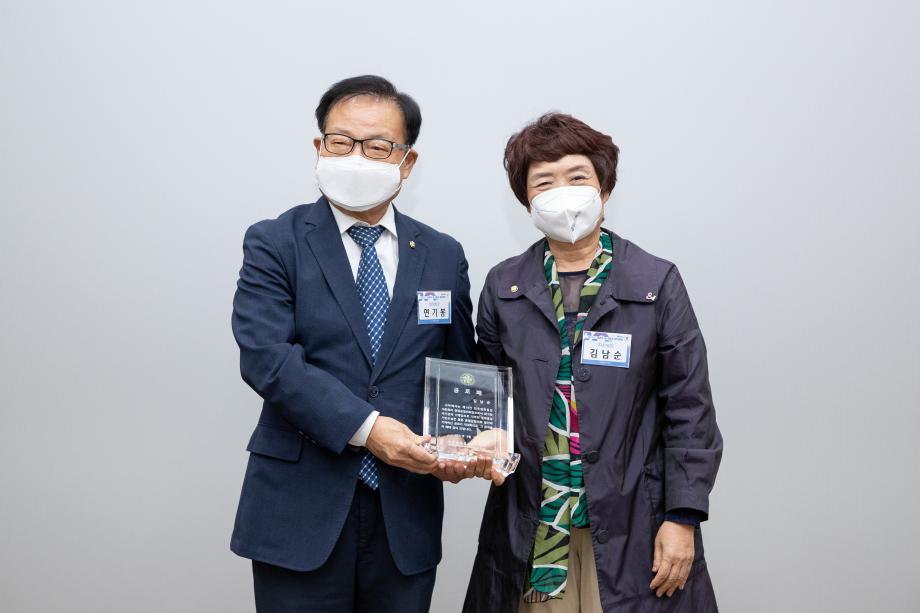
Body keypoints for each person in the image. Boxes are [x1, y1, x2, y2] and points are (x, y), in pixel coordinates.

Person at [230, 75, 481, 613]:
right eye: (341, 142)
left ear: (406, 162)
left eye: (377, 146)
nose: (356, 158)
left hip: (405, 511)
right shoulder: (275, 241)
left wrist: (463, 441)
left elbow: (458, 364)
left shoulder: (442, 254)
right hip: (299, 508)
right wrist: (369, 430)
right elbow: (268, 359)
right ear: (319, 147)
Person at [463, 113, 723, 613]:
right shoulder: (503, 286)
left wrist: (683, 516)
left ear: (604, 188)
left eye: (577, 176)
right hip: (535, 524)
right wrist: (475, 438)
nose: (562, 192)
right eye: (544, 182)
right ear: (527, 201)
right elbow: (490, 397)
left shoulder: (655, 282)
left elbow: (690, 409)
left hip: (634, 523)